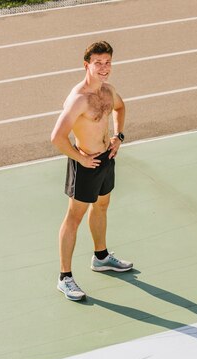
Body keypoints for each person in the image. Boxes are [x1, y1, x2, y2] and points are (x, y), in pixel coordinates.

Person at [51, 41, 133, 301]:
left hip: (106, 159)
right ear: (86, 65)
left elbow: (120, 108)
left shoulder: (108, 91)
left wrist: (118, 136)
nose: (104, 68)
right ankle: (65, 278)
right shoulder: (78, 99)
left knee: (101, 206)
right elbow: (57, 137)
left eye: (107, 62)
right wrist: (80, 159)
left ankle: (101, 257)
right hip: (86, 164)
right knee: (73, 218)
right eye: (98, 63)